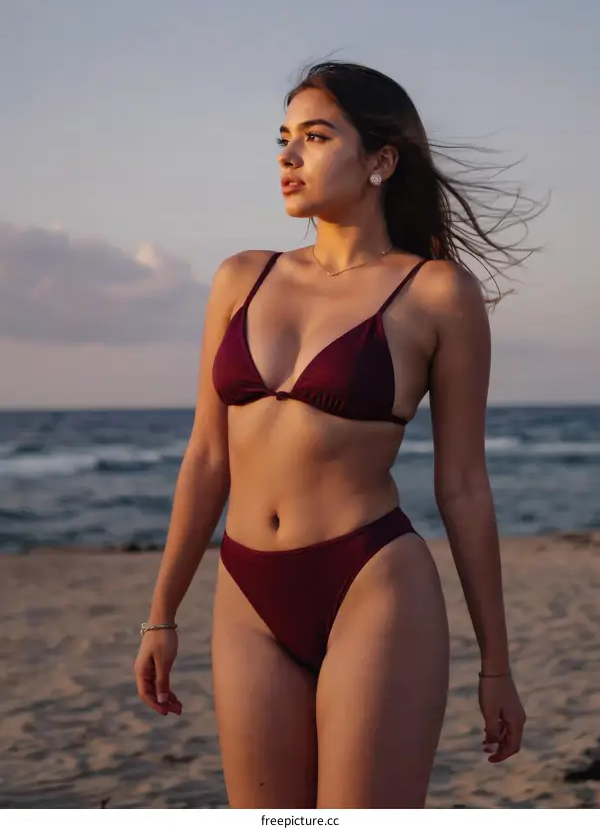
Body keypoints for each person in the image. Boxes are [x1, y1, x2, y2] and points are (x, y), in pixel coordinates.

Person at [135, 61, 532, 809]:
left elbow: (464, 486)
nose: (288, 157)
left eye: (315, 138)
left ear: (382, 160)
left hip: (371, 583)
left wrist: (496, 665)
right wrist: (162, 609)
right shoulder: (240, 278)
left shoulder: (438, 293)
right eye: (284, 139)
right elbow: (208, 455)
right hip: (246, 591)